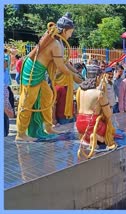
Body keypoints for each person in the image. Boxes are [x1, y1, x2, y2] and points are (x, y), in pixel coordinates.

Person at [15, 12, 82, 141]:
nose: (71, 35)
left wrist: (76, 72)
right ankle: (21, 133)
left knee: (47, 96)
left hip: (40, 73)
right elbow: (61, 67)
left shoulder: (59, 42)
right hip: (32, 71)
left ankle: (48, 126)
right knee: (27, 101)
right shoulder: (56, 44)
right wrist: (74, 76)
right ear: (64, 31)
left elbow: (65, 62)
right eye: (70, 32)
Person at [75, 65, 116, 149]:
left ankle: (85, 137)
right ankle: (96, 137)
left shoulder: (80, 90)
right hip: (93, 125)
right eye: (101, 77)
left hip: (79, 123)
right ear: (97, 77)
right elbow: (108, 114)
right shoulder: (99, 94)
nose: (101, 80)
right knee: (109, 134)